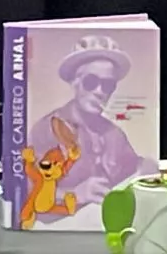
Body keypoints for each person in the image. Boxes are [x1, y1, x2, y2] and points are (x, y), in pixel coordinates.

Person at [25, 34, 147, 220]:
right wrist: (73, 193)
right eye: (91, 82)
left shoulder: (115, 134)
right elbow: (26, 188)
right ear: (75, 82)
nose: (99, 92)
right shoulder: (47, 129)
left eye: (107, 85)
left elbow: (135, 169)